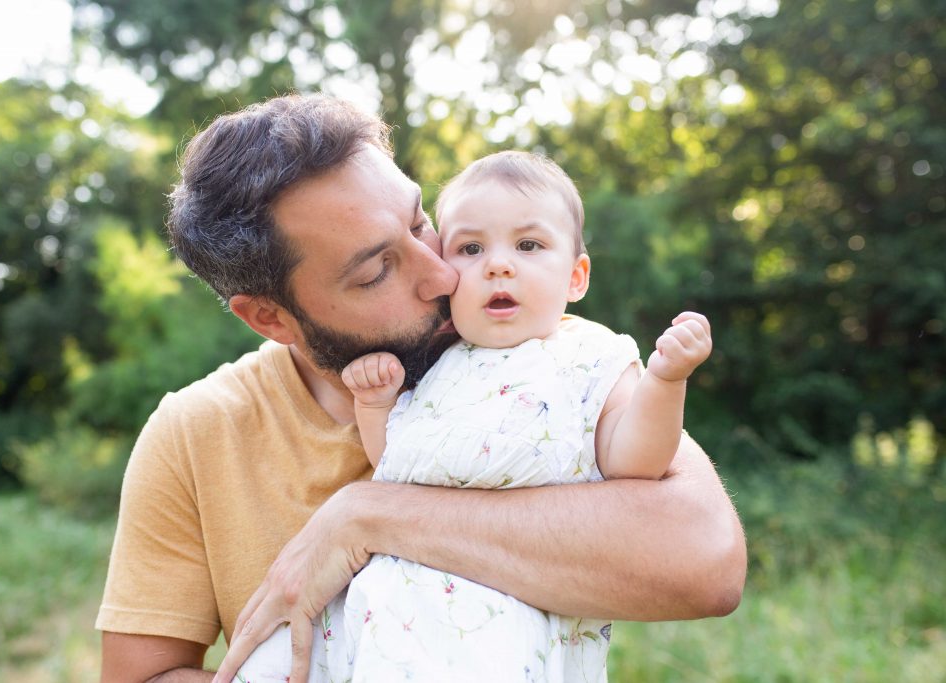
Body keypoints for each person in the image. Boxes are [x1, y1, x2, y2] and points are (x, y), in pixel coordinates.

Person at [96, 94, 746, 683]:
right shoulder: (195, 430)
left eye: (418, 221)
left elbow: (707, 563)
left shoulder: (531, 352)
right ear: (270, 316)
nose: (440, 273)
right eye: (379, 267)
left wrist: (368, 516)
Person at [229, 150, 713, 682]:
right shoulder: (436, 362)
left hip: (504, 617)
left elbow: (634, 462)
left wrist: (666, 383)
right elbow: (394, 459)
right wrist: (375, 404)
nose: (498, 264)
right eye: (471, 248)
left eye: (529, 246)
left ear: (576, 278)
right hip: (386, 606)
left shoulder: (592, 358)